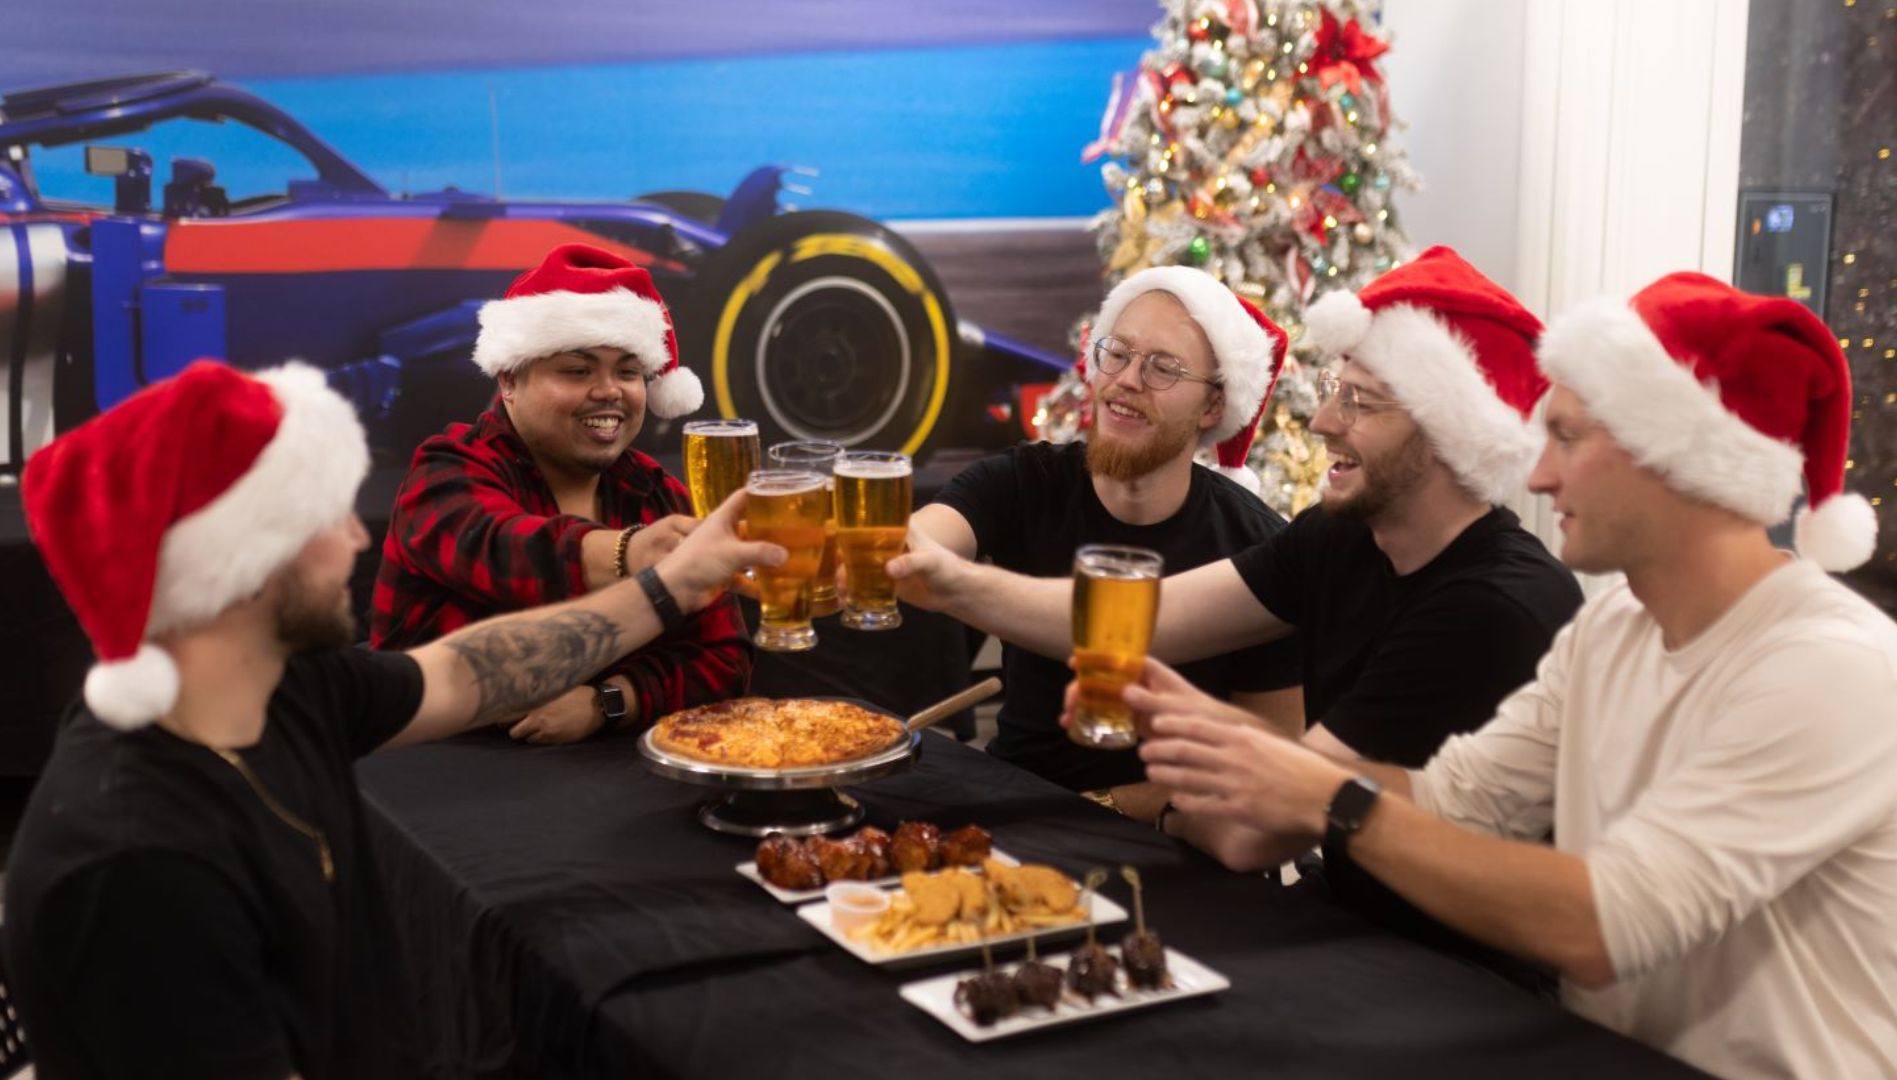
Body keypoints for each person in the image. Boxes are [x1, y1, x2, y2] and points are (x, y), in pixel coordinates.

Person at [1135, 272, 1897, 1078]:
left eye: (1569, 439)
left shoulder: (1831, 668)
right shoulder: (1613, 628)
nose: (1538, 477)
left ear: (1678, 464)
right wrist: (1243, 749)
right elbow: (1453, 798)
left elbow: (1605, 926)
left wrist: (1318, 792)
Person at [3, 360, 783, 1080]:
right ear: (239, 562)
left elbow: (464, 671)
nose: (355, 538)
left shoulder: (285, 692)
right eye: (326, 518)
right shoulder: (136, 864)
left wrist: (674, 583)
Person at [893, 248, 1582, 950]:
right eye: (1334, 391)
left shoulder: (1490, 608)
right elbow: (1146, 620)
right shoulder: (1338, 538)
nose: (1323, 424)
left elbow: (1269, 816)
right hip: (1338, 915)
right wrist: (955, 582)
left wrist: (1169, 762)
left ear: (1447, 434)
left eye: (1359, 401)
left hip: (1447, 969)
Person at [914, 266, 1301, 817]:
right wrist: (894, 551)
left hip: (1174, 849)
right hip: (1013, 816)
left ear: (1213, 407)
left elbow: (1274, 758)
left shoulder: (1260, 547)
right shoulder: (1027, 480)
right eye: (1116, 353)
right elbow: (927, 538)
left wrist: (1106, 807)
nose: (1126, 380)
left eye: (1162, 367)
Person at [371, 243, 746, 744]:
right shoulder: (446, 470)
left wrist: (608, 701)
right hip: (434, 772)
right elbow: (506, 549)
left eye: (628, 371)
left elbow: (725, 657)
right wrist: (632, 553)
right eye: (577, 370)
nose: (609, 390)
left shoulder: (656, 492)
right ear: (509, 380)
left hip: (610, 787)